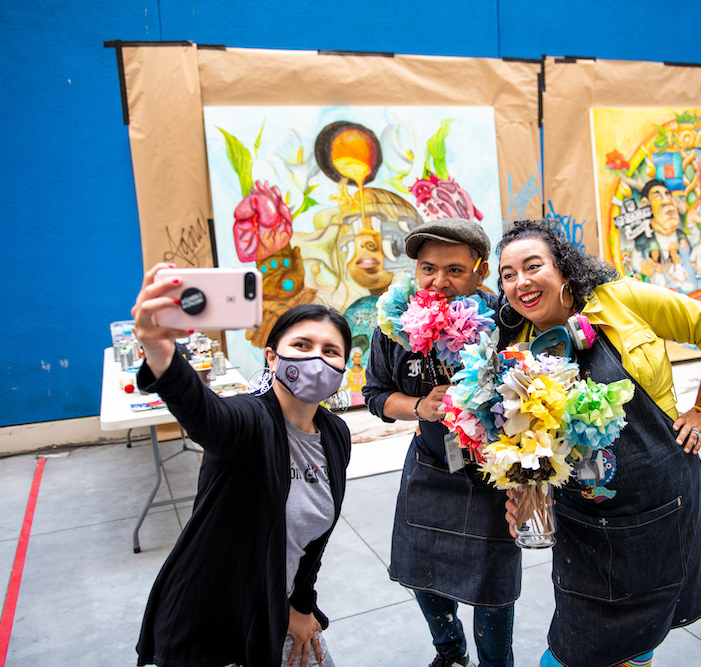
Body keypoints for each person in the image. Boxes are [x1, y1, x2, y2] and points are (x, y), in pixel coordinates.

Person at [495, 220, 701, 667]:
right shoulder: (519, 349)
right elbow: (526, 442)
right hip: (584, 518)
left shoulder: (622, 300)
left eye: (533, 266)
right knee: (575, 646)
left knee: (644, 630)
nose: (521, 282)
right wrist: (521, 496)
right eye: (508, 274)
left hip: (662, 497)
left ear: (564, 269)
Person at [132, 263, 353, 667]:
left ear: (342, 369)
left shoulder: (335, 435)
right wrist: (163, 356)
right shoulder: (248, 421)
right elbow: (207, 416)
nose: (316, 359)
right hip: (208, 621)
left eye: (331, 351)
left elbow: (310, 545)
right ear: (272, 357)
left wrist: (300, 604)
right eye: (302, 345)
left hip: (274, 610)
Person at [362, 218, 520, 667]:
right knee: (419, 573)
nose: (439, 281)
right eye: (428, 268)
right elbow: (375, 395)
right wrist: (418, 407)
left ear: (480, 271)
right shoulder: (395, 323)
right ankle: (450, 652)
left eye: (454, 270)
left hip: (498, 473)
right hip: (432, 466)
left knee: (493, 587)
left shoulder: (507, 317)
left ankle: (495, 664)